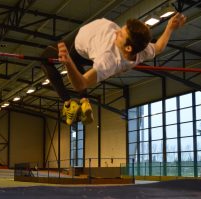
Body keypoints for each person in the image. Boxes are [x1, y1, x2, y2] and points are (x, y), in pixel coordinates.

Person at [42, 13, 186, 125]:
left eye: (121, 34)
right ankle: (84, 100)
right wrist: (170, 27)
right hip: (91, 44)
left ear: (128, 47)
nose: (117, 32)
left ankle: (68, 104)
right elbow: (159, 47)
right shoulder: (141, 50)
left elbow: (81, 83)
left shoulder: (109, 59)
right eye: (121, 29)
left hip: (77, 45)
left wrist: (67, 63)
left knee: (45, 59)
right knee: (76, 65)